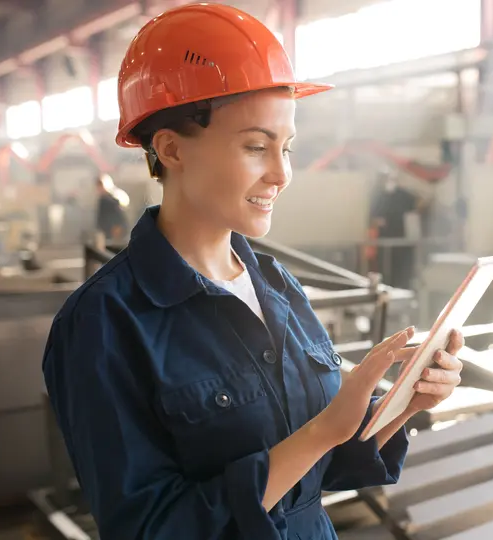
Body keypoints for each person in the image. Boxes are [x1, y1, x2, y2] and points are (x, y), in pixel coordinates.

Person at [42, 4, 464, 539]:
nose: (282, 173)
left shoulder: (277, 286)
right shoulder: (104, 324)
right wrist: (320, 433)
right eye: (256, 146)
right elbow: (149, 529)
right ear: (171, 148)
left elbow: (322, 470)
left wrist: (403, 404)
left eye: (286, 148)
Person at [95, 175, 128, 243]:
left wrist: (117, 227)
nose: (99, 188)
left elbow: (119, 216)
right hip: (107, 233)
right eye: (98, 186)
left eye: (100, 186)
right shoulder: (103, 200)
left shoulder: (112, 200)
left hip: (114, 232)